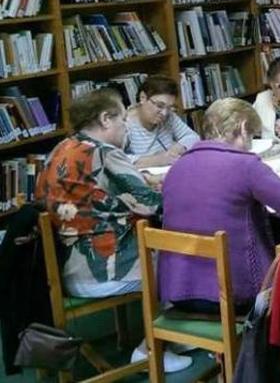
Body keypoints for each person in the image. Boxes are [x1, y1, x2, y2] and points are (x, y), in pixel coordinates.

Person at [35, 88, 192, 372]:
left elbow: (99, 194)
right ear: (106, 119)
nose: (126, 128)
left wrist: (140, 184)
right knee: (183, 263)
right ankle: (152, 348)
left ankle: (172, 333)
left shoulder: (61, 149)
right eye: (122, 120)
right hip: (104, 270)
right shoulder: (105, 153)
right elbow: (156, 206)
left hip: (65, 268)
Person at [159, 98, 280, 314]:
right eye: (252, 135)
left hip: (176, 291)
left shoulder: (177, 167)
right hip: (232, 294)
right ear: (242, 128)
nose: (251, 143)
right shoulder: (246, 165)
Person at [125, 75, 200, 169]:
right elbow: (115, 160)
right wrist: (156, 160)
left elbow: (193, 136)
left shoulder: (169, 116)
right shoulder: (124, 124)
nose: (164, 113)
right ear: (143, 98)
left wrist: (179, 147)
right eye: (160, 106)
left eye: (169, 107)